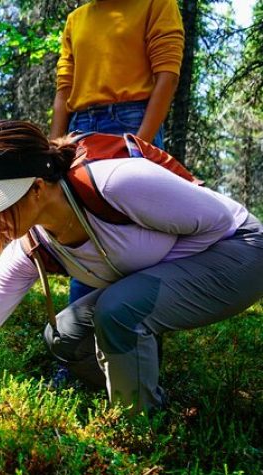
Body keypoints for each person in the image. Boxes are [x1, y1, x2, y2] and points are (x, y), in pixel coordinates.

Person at [0, 120, 263, 415]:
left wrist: (145, 283)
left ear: (37, 188)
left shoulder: (116, 182)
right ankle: (146, 392)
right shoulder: (30, 246)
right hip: (184, 268)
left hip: (241, 250)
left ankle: (139, 426)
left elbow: (219, 222)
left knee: (120, 307)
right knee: (63, 336)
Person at [49, 0, 185, 302]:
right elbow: (64, 90)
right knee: (85, 228)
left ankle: (135, 332)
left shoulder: (156, 4)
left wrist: (140, 146)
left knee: (138, 230)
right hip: (80, 128)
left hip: (132, 120)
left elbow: (168, 75)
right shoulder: (77, 18)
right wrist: (51, 152)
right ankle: (82, 334)